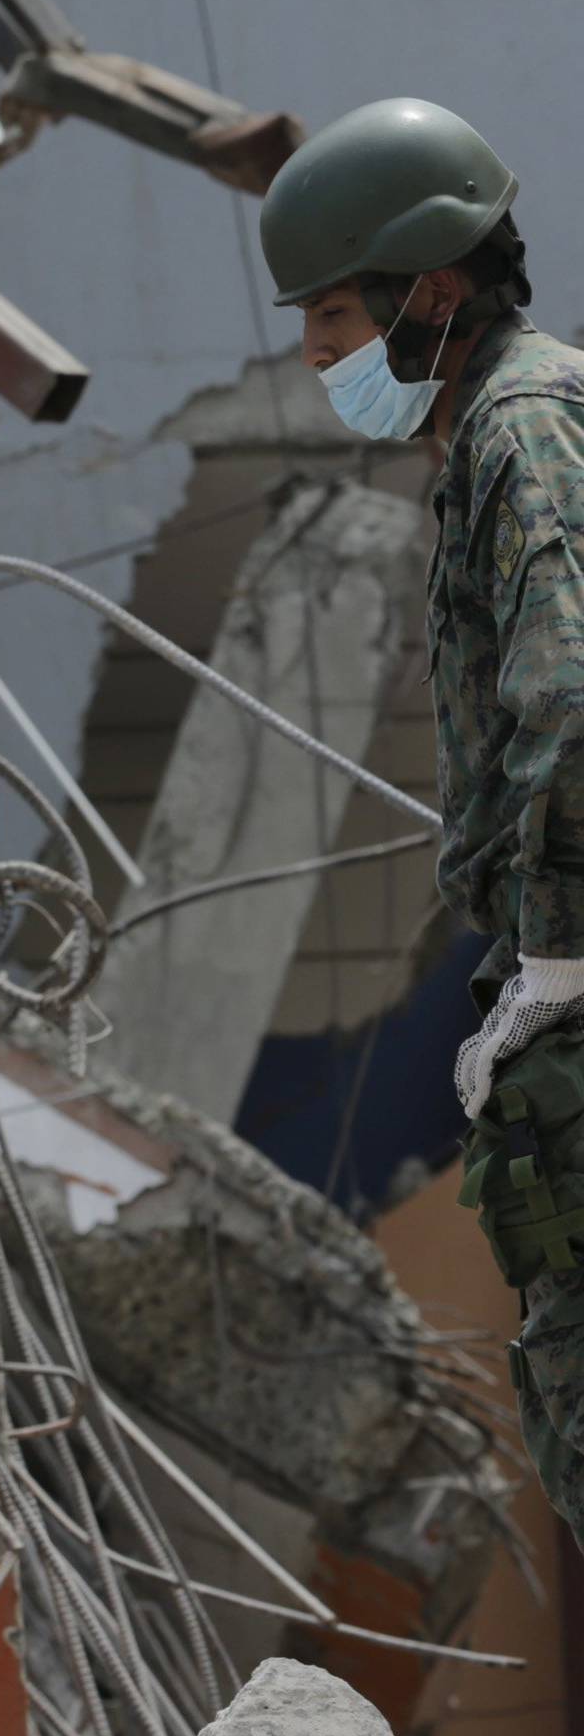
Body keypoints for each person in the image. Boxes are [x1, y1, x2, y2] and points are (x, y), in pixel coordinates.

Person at [260, 95, 584, 1542]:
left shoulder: (525, 433)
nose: (318, 355)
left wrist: (561, 961)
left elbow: (572, 702)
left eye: (334, 316)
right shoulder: (505, 432)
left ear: (433, 290)